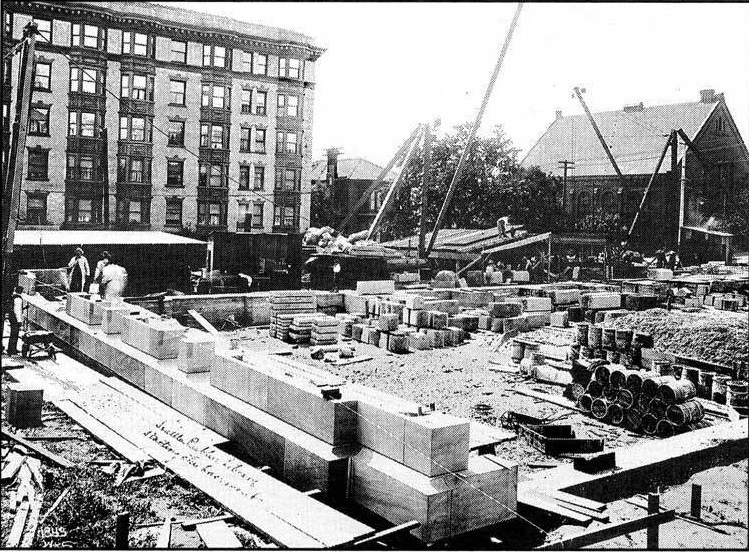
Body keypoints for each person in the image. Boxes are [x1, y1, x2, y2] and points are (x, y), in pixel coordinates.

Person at [6, 286, 25, 355]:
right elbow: (17, 311)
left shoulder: (13, 297)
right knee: (15, 334)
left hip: (12, 318)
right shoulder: (18, 299)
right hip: (15, 319)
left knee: (12, 334)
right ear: (21, 291)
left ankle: (10, 349)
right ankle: (12, 350)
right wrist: (19, 321)